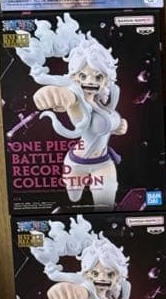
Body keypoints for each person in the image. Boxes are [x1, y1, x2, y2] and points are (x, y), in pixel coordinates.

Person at [16, 18, 127, 209]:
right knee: (73, 199)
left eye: (98, 76)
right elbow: (69, 97)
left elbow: (108, 126)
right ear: (75, 76)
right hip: (75, 163)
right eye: (83, 76)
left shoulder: (108, 99)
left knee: (105, 207)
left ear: (106, 77)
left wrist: (119, 125)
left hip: (104, 163)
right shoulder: (76, 96)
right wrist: (56, 94)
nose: (90, 81)